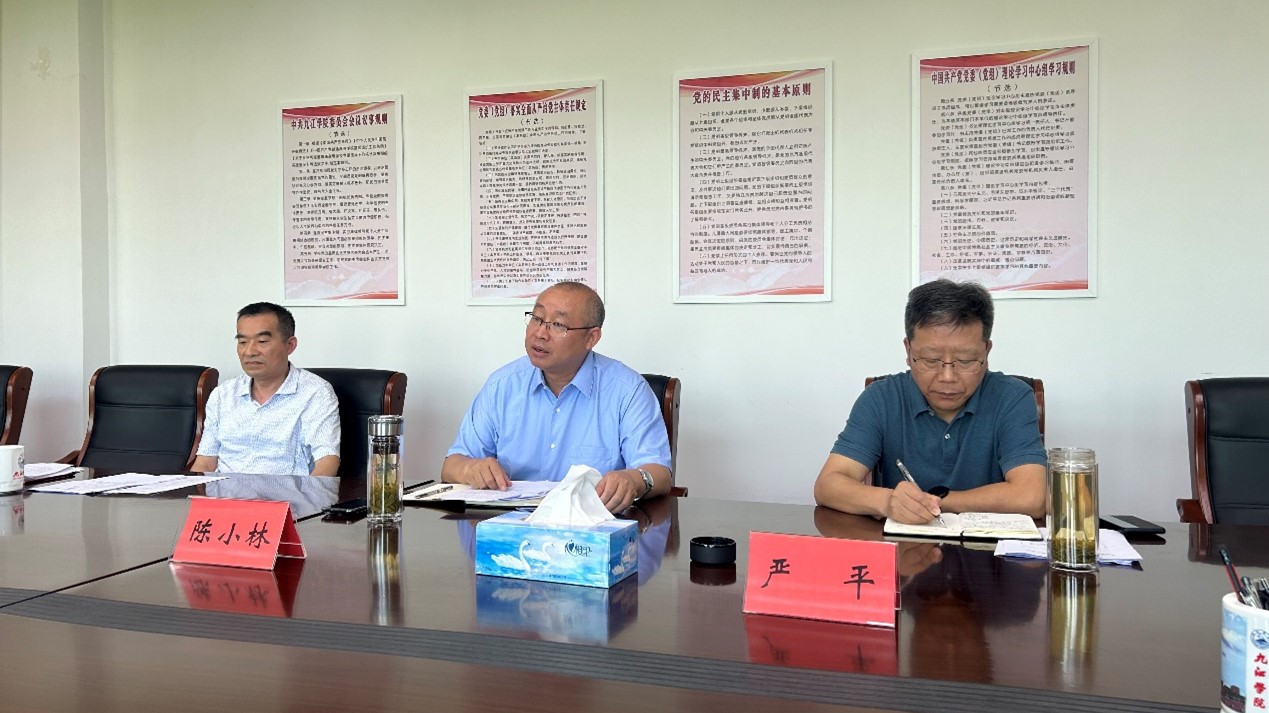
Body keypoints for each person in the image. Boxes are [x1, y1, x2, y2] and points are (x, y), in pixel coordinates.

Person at [814, 279, 1046, 524]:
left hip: (988, 546)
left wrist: (936, 501)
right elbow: (828, 485)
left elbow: (1032, 497)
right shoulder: (881, 399)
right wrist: (888, 501)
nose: (947, 377)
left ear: (986, 352)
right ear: (908, 350)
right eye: (931, 360)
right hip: (905, 545)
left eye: (966, 361)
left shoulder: (1012, 398)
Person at [443, 281, 672, 513]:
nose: (540, 333)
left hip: (591, 525)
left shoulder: (628, 391)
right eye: (537, 318)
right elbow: (452, 465)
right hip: (511, 525)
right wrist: (471, 469)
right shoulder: (501, 386)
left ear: (591, 338)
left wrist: (633, 480)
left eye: (558, 325)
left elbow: (660, 474)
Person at [191, 302, 340, 476]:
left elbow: (327, 460)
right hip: (225, 492)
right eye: (242, 342)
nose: (249, 351)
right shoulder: (223, 394)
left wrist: (311, 495)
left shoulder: (315, 393)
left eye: (262, 341)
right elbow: (205, 462)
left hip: (286, 492)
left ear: (290, 345)